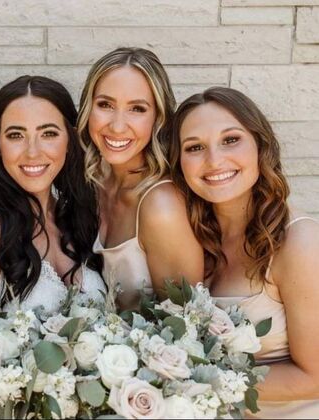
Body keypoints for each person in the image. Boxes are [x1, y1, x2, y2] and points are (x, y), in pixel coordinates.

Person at [170, 86, 319, 417]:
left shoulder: (299, 242)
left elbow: (315, 378)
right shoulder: (191, 239)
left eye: (230, 140)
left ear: (260, 145)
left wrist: (191, 379)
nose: (214, 160)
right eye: (195, 147)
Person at [0, 76, 105, 317]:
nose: (32, 152)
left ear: (69, 140)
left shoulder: (78, 215)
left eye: (48, 134)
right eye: (16, 135)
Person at [78, 47, 203, 310]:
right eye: (105, 105)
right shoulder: (94, 180)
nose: (117, 126)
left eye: (137, 108)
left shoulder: (161, 205)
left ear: (158, 117)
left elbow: (186, 320)